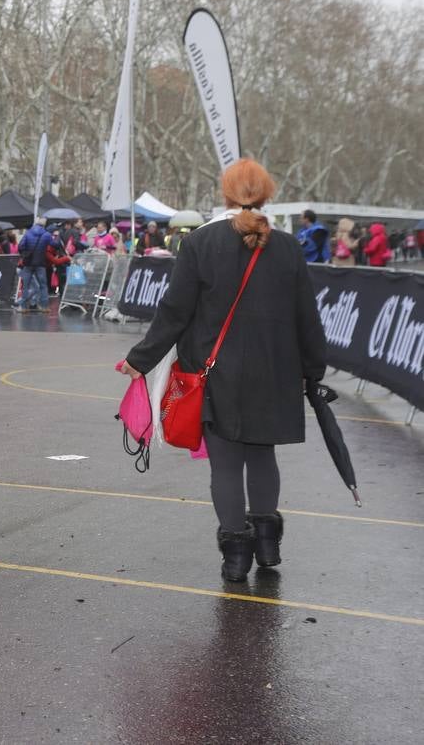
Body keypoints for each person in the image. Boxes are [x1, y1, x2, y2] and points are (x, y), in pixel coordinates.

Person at [117, 159, 326, 583]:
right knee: (263, 457)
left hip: (217, 373)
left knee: (226, 466)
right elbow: (307, 317)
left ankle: (235, 557)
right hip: (276, 372)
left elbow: (175, 312)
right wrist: (312, 370)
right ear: (266, 194)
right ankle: (268, 547)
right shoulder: (287, 246)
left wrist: (139, 359)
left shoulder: (199, 243)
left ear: (226, 193)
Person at [14, 217, 51, 312]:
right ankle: (44, 307)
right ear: (44, 225)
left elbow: (21, 246)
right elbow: (54, 244)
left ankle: (23, 308)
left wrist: (25, 253)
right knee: (43, 285)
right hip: (40, 263)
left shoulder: (28, 233)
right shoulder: (46, 234)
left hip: (28, 262)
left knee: (26, 286)